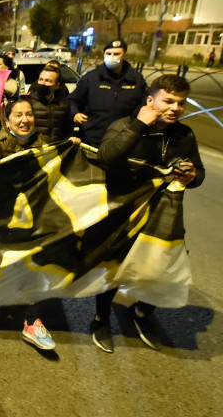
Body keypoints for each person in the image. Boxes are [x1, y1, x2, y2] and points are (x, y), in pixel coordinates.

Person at [90, 75, 204, 353]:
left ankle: (142, 313)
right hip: (125, 214)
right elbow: (106, 157)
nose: (175, 108)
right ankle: (101, 319)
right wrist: (140, 125)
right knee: (116, 268)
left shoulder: (185, 135)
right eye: (168, 101)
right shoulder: (125, 125)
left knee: (164, 266)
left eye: (181, 103)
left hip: (165, 217)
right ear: (150, 100)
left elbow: (199, 173)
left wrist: (192, 175)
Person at [0, 98, 54, 351]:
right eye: (18, 115)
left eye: (29, 115)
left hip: (32, 218)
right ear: (8, 120)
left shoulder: (47, 145)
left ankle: (32, 320)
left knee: (35, 268)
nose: (24, 120)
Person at [69, 39, 147, 146]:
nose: (112, 56)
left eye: (116, 54)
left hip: (123, 139)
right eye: (108, 53)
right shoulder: (91, 78)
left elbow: (144, 104)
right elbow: (73, 100)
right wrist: (75, 114)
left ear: (124, 55)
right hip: (91, 138)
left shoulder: (136, 80)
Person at [27, 64, 74, 143]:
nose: (43, 83)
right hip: (36, 149)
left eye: (48, 81)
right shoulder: (29, 103)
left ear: (57, 85)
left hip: (57, 149)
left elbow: (68, 129)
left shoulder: (64, 104)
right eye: (41, 79)